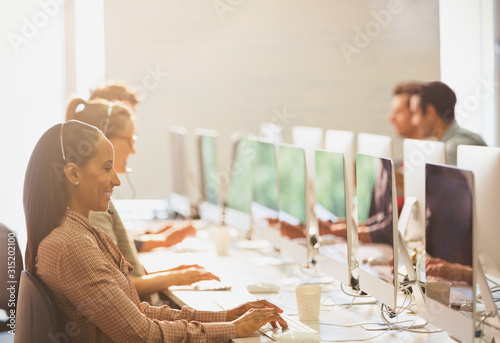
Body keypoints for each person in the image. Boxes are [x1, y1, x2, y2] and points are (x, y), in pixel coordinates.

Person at [24, 120, 287, 342]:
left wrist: (226, 315)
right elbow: (143, 335)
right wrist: (234, 329)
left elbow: (136, 313)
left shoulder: (75, 232)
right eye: (107, 168)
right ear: (72, 174)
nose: (116, 179)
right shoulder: (72, 244)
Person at [65, 98, 217, 301]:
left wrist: (175, 272)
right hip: (144, 312)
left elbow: (121, 278)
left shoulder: (96, 201)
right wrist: (178, 276)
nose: (133, 150)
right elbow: (120, 287)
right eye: (131, 141)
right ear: (105, 138)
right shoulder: (92, 207)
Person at [409, 81, 487, 165]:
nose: (413, 122)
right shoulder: (444, 143)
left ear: (429, 113)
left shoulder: (454, 148)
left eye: (414, 113)